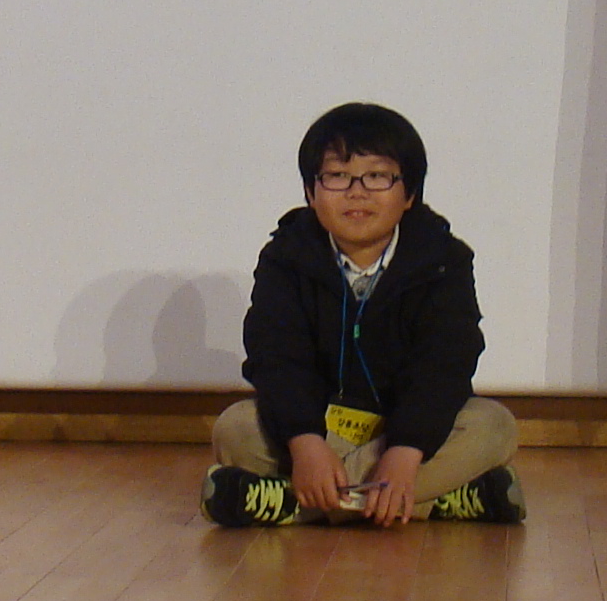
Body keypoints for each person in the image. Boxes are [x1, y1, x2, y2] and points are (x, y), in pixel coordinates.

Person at [203, 102, 524, 528]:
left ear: (409, 193)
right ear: (311, 192)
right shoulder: (286, 257)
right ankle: (438, 500)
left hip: (403, 432)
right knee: (235, 429)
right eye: (337, 176)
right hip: (323, 428)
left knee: (494, 426)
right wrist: (305, 445)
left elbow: (445, 362)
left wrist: (405, 452)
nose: (357, 192)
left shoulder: (444, 259)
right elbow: (276, 356)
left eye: (377, 176)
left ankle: (292, 502)